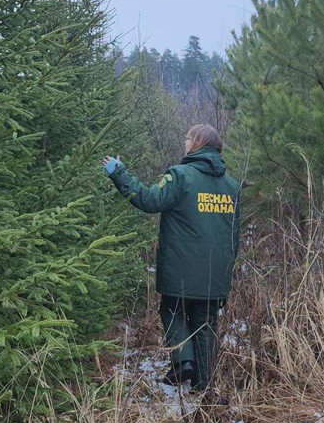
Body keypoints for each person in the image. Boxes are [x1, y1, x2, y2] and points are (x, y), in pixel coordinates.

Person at [102, 124, 240, 391]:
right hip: (217, 271)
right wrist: (228, 269)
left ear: (198, 143)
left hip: (182, 266)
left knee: (172, 309)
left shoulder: (180, 176)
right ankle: (204, 384)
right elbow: (234, 232)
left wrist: (120, 175)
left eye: (187, 139)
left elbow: (149, 201)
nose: (184, 143)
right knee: (206, 323)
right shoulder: (231, 185)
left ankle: (182, 361)